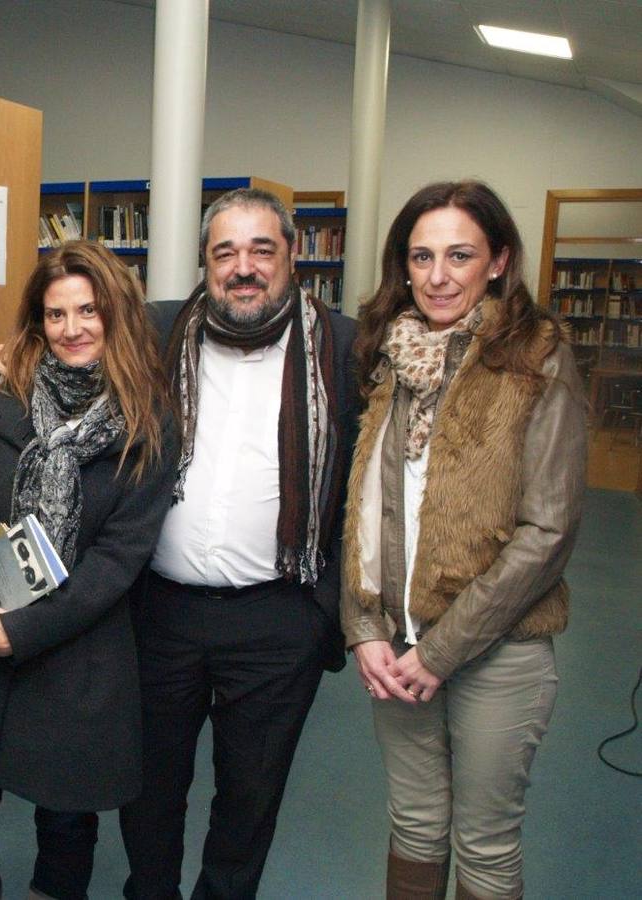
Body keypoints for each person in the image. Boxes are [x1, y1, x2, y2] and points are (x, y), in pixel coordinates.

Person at [0, 240, 178, 900]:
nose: (72, 328)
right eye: (55, 314)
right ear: (37, 320)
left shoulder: (149, 424)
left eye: (88, 311)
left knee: (64, 830)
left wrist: (20, 635)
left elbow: (117, 561)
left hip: (73, 654)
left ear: (115, 315)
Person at [340, 180, 587, 900]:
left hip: (497, 650)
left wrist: (440, 653)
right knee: (413, 824)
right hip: (394, 645)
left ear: (498, 260)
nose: (437, 276)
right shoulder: (385, 354)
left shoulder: (538, 357)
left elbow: (549, 531)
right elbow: (362, 506)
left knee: (483, 841)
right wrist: (363, 628)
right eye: (420, 257)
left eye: (458, 255)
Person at [119, 187, 359, 899]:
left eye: (262, 249)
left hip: (279, 619)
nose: (243, 267)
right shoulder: (156, 334)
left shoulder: (343, 348)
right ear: (204, 261)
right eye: (225, 252)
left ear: (292, 258)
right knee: (148, 786)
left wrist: (326, 613)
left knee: (249, 797)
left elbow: (366, 488)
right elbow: (59, 345)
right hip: (159, 612)